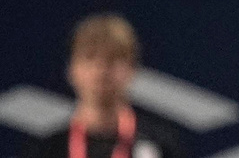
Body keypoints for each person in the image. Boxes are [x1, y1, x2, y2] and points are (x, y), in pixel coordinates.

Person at [24, 14, 184, 158]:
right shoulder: (46, 150)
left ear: (132, 68)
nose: (101, 70)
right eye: (89, 57)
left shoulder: (162, 147)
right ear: (72, 69)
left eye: (112, 59)